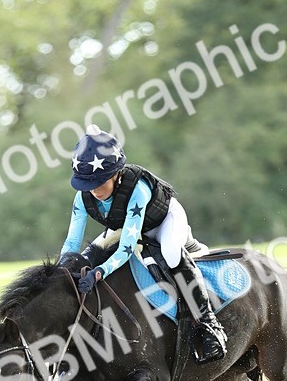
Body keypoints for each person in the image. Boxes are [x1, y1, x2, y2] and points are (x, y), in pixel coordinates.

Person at [59, 125, 227, 363]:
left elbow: (127, 247)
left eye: (99, 182)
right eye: (87, 183)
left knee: (170, 254)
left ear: (116, 174)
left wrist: (100, 272)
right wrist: (59, 272)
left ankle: (209, 324)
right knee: (86, 256)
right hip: (126, 226)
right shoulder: (83, 196)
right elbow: (73, 242)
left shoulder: (137, 189)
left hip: (164, 221)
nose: (93, 190)